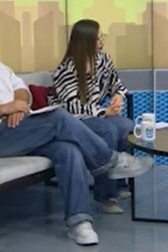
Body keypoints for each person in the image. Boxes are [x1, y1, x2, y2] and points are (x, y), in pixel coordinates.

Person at [0, 14, 154, 246]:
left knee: (68, 150)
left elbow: (20, 89)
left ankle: (79, 223)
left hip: (20, 128)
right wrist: (4, 109)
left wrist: (18, 105)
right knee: (58, 118)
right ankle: (110, 161)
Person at [51, 19, 134, 214]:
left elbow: (117, 84)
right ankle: (106, 196)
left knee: (126, 125)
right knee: (108, 129)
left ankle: (119, 183)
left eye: (102, 37)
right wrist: (104, 112)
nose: (102, 41)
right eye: (98, 39)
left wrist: (118, 96)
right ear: (85, 42)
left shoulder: (103, 60)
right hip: (73, 119)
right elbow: (72, 106)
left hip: (95, 115)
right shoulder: (66, 69)